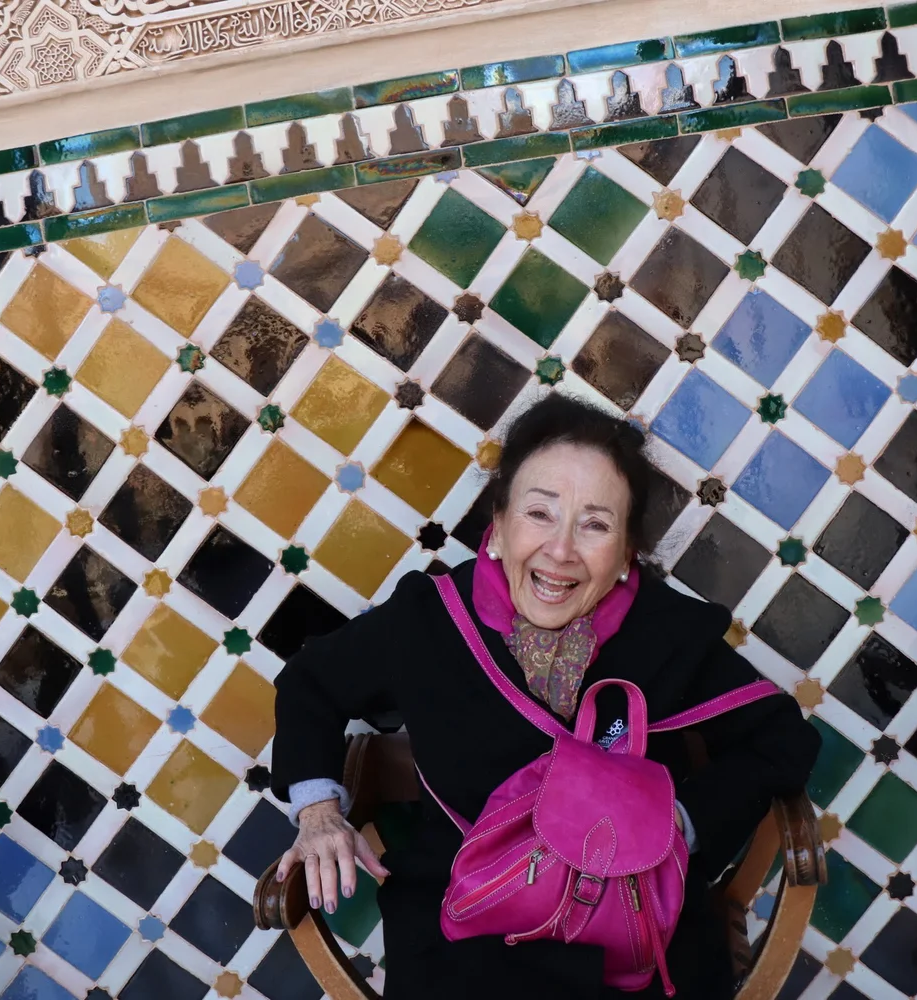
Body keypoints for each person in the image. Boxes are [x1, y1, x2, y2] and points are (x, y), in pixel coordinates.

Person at [271, 393, 821, 999]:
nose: (561, 551)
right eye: (540, 513)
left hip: (631, 925)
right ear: (499, 525)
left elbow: (782, 739)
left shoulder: (667, 633)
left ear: (625, 555)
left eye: (595, 525)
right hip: (464, 925)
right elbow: (309, 683)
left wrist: (677, 827)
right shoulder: (429, 620)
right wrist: (319, 816)